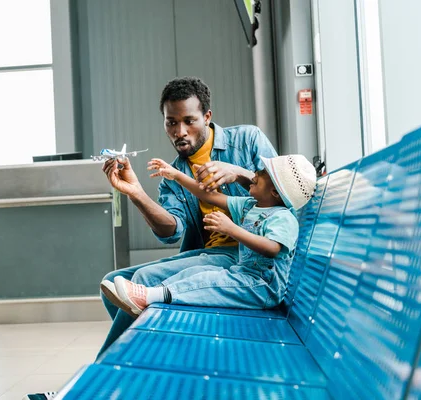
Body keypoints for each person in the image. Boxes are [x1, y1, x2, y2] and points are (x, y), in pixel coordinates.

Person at [97, 76, 277, 355]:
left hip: (247, 254)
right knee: (111, 282)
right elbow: (172, 231)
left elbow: (284, 192)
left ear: (206, 117)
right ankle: (141, 362)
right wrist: (136, 193)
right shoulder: (172, 176)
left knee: (142, 280)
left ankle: (101, 381)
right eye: (171, 122)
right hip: (209, 255)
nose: (180, 131)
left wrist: (240, 173)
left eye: (189, 121)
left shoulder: (247, 140)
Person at [109, 154, 317, 314]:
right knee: (194, 275)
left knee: (205, 281)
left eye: (264, 173)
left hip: (263, 287)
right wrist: (177, 175)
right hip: (243, 275)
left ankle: (146, 297)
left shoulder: (283, 218)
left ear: (274, 192)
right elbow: (209, 196)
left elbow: (273, 248)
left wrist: (232, 229)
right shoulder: (251, 205)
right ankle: (149, 297)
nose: (255, 172)